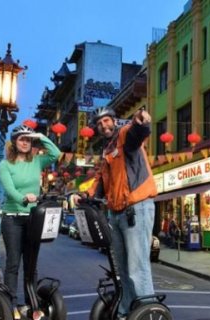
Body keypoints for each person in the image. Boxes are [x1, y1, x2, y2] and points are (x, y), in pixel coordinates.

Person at [74, 107, 158, 317]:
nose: (104, 126)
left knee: (137, 267)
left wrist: (141, 123)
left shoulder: (123, 136)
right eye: (100, 124)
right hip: (117, 212)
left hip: (136, 207)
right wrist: (86, 195)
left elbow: (135, 134)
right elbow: (101, 179)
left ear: (114, 121)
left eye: (107, 121)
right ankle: (127, 310)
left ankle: (147, 311)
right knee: (122, 269)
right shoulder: (107, 151)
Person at [0, 124, 60, 315]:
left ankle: (31, 305)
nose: (25, 142)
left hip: (33, 219)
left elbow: (56, 154)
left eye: (28, 139)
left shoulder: (37, 162)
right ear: (14, 142)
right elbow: (10, 189)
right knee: (13, 263)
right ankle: (11, 305)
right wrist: (24, 198)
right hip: (13, 218)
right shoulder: (6, 164)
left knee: (31, 266)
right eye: (21, 139)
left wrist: (41, 136)